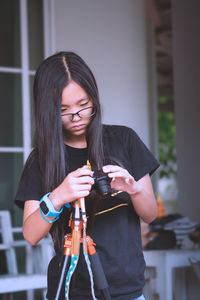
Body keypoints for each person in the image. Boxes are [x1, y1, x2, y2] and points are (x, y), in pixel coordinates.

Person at [15, 51, 159, 300]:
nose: (77, 117)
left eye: (83, 105)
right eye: (64, 110)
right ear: (48, 111)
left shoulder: (124, 140)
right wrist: (59, 196)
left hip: (127, 290)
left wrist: (134, 190)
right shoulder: (43, 159)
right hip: (71, 291)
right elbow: (30, 234)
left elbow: (151, 214)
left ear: (93, 96)